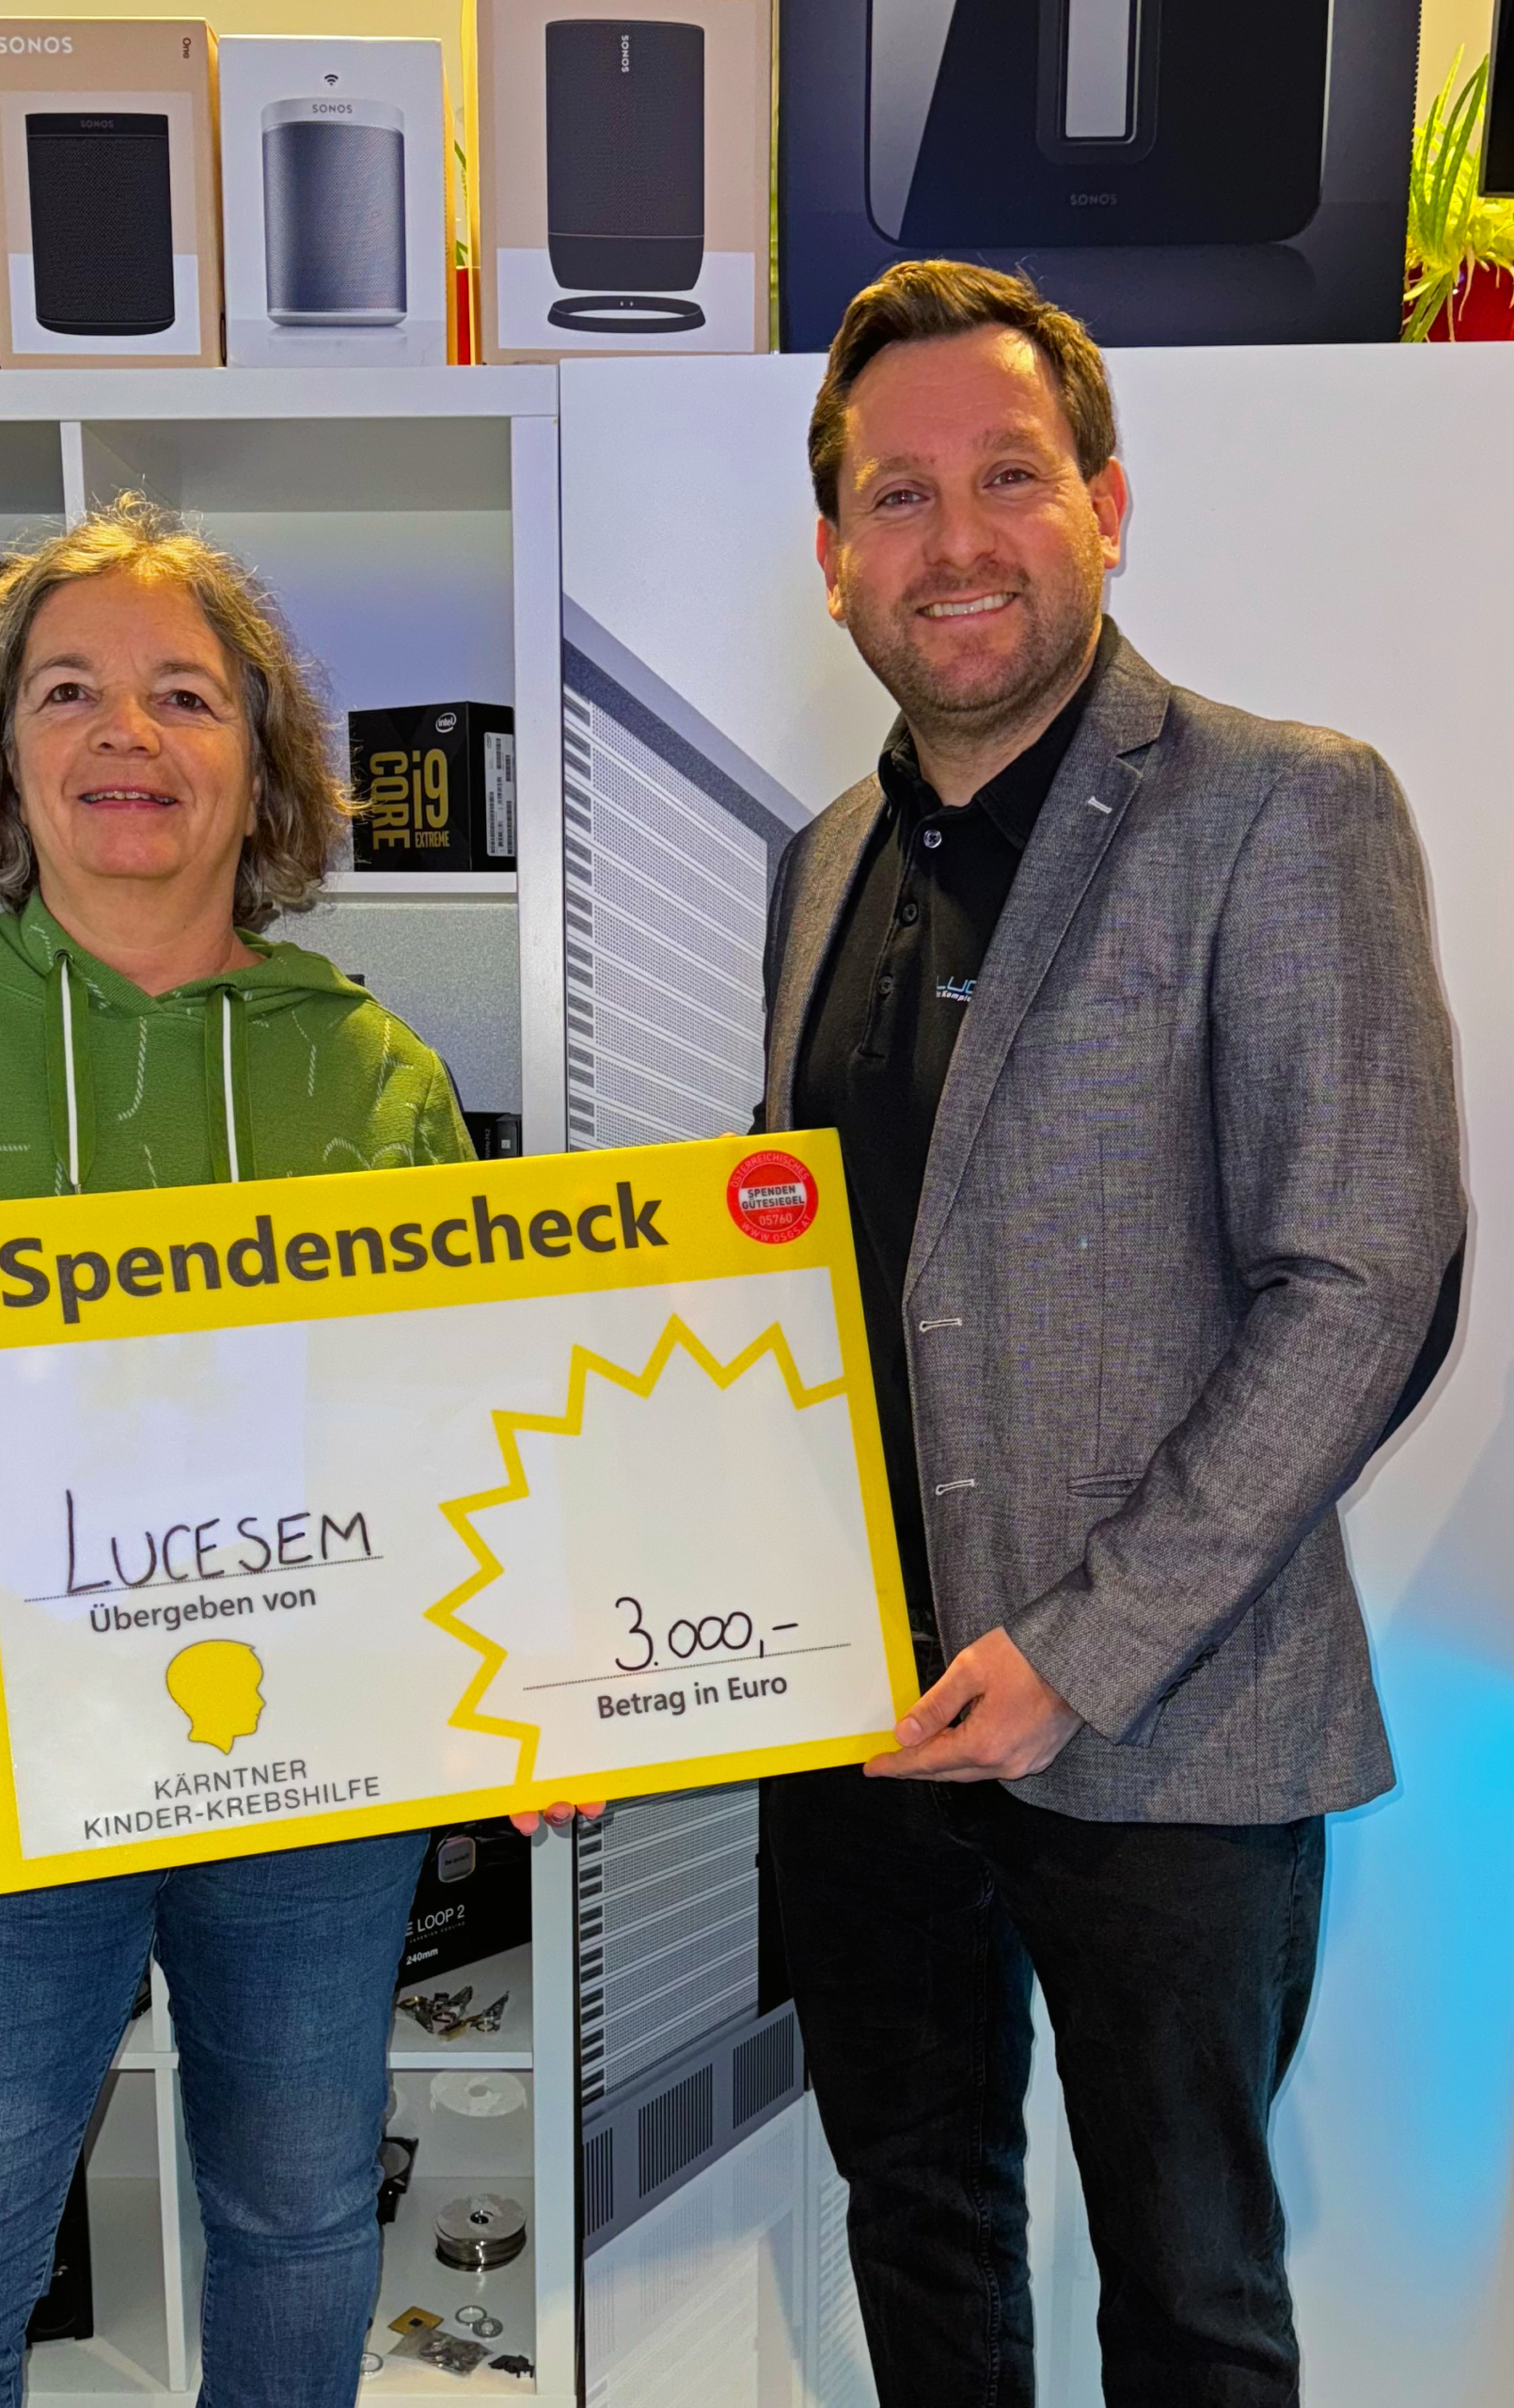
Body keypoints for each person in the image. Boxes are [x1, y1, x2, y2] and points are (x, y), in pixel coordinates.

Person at [757, 261, 1463, 2407]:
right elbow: (795, 1284)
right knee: (919, 2236)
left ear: (1106, 507)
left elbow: (1369, 1278)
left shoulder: (1283, 805)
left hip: (1172, 1717)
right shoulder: (817, 860)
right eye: (895, 496)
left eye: (1008, 476)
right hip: (862, 1722)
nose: (951, 539)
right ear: (832, 556)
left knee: (1189, 2294)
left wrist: (1079, 1643)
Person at [0, 497, 474, 2408]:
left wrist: (528, 1690)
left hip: (316, 1772)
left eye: (185, 695)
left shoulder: (376, 1071)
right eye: (68, 690)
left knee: (299, 2221)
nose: (127, 733)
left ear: (261, 764)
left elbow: (459, 1415)